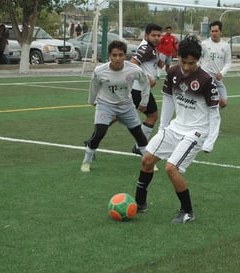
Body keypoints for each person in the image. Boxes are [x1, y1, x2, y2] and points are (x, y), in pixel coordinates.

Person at [134, 35, 221, 224]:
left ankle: (187, 212)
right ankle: (139, 204)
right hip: (175, 128)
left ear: (197, 60)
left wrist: (209, 142)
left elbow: (215, 113)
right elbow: (167, 100)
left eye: (192, 63)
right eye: (184, 61)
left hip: (196, 132)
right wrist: (163, 128)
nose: (187, 67)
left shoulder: (206, 80)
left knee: (171, 168)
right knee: (147, 160)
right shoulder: (173, 72)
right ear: (177, 56)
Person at [80, 40, 151, 172]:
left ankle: (148, 162)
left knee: (139, 134)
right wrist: (91, 101)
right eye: (114, 55)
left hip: (127, 106)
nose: (118, 58)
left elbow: (145, 83)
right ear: (109, 56)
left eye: (121, 55)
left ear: (125, 56)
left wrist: (144, 102)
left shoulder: (134, 70)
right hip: (105, 105)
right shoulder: (100, 71)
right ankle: (86, 161)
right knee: (99, 133)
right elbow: (94, 86)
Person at [130, 23, 164, 155]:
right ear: (146, 35)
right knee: (152, 115)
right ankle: (140, 146)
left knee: (119, 115)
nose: (156, 38)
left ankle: (95, 137)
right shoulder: (145, 48)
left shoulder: (151, 48)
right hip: (139, 90)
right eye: (153, 35)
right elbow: (133, 63)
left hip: (139, 89)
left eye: (158, 35)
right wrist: (146, 78)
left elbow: (154, 63)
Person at [200, 20, 232, 108]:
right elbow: (198, 59)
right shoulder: (204, 44)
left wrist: (222, 73)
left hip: (217, 79)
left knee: (224, 103)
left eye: (216, 31)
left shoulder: (225, 46)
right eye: (212, 31)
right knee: (206, 101)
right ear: (210, 32)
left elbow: (228, 62)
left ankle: (213, 112)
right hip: (205, 78)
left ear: (220, 32)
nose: (214, 33)